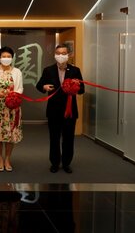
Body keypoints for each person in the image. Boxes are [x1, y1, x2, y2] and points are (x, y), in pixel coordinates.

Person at [36, 43, 84, 174]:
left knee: (68, 138)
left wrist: (76, 87)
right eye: (58, 53)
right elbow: (39, 85)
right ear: (54, 55)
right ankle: (55, 163)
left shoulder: (75, 70)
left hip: (70, 111)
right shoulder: (48, 70)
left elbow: (82, 90)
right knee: (54, 138)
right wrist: (44, 87)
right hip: (54, 111)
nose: (61, 56)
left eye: (64, 53)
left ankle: (67, 163)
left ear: (69, 55)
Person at [0, 46, 24, 172]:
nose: (6, 59)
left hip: (12, 107)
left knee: (10, 134)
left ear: (12, 58)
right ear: (0, 57)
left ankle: (8, 158)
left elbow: (20, 88)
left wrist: (13, 96)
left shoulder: (17, 72)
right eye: (3, 56)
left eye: (8, 56)